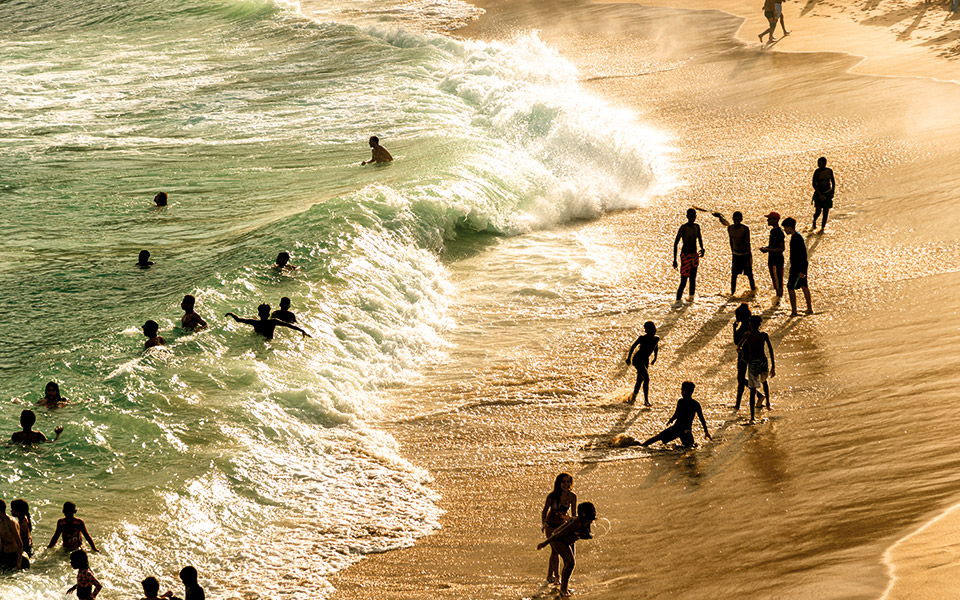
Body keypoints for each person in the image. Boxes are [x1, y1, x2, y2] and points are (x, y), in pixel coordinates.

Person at [536, 502, 597, 599]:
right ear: (583, 513)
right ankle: (563, 589)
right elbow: (560, 533)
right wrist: (545, 543)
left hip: (568, 541)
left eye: (594, 510)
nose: (594, 512)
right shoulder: (577, 521)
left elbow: (586, 534)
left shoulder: (588, 521)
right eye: (592, 510)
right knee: (570, 563)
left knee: (569, 563)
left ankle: (564, 587)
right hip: (558, 539)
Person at [642, 381, 712, 447]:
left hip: (676, 429)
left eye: (682, 390)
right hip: (687, 430)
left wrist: (671, 419)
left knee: (657, 437)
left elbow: (677, 413)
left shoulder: (681, 401)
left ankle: (642, 445)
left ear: (684, 391)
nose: (681, 392)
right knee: (690, 446)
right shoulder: (696, 404)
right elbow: (701, 418)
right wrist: (706, 431)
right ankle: (679, 448)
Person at [540, 474, 577, 584]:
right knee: (555, 550)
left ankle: (549, 575)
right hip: (550, 525)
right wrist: (543, 523)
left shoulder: (572, 497)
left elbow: (574, 515)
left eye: (568, 482)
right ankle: (557, 576)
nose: (566, 484)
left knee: (555, 550)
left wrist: (568, 519)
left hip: (562, 526)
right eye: (563, 482)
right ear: (558, 483)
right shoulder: (552, 496)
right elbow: (544, 511)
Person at [712, 211, 757, 296]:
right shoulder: (730, 228)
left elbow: (748, 243)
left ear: (741, 219)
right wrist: (719, 217)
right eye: (735, 219)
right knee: (734, 275)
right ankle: (732, 293)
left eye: (738, 219)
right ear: (733, 219)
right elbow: (725, 223)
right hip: (736, 255)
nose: (736, 221)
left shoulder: (745, 229)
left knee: (749, 275)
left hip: (745, 254)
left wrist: (749, 256)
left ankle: (753, 293)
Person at [741, 315, 776, 423]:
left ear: (750, 324)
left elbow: (739, 346)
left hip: (753, 362)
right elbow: (770, 350)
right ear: (759, 324)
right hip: (764, 362)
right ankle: (768, 404)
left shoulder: (747, 334)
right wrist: (773, 367)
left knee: (752, 390)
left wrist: (742, 353)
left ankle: (752, 417)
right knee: (764, 382)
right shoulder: (764, 335)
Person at [672, 208, 705, 302]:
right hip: (685, 256)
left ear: (695, 217)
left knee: (693, 280)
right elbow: (676, 243)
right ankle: (677, 302)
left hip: (694, 255)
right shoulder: (684, 228)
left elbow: (699, 239)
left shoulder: (697, 227)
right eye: (690, 216)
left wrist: (702, 249)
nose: (692, 218)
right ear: (687, 216)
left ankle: (691, 300)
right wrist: (675, 260)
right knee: (683, 280)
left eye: (693, 216)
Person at [225, 304, 311, 340]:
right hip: (268, 341)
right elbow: (288, 325)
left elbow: (238, 319)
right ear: (269, 314)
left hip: (256, 339)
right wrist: (302, 330)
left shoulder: (255, 322)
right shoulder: (273, 322)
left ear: (259, 314)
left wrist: (231, 314)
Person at [782, 217, 813, 315]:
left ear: (789, 227)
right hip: (800, 266)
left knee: (790, 287)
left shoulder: (796, 238)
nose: (784, 230)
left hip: (797, 268)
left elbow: (801, 255)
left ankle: (794, 311)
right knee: (804, 286)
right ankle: (809, 308)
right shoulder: (797, 236)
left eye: (785, 228)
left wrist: (801, 270)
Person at [625, 321, 659, 405]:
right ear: (647, 330)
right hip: (637, 359)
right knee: (646, 378)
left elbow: (656, 346)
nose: (653, 331)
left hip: (645, 360)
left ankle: (633, 398)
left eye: (653, 329)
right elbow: (633, 347)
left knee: (640, 380)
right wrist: (629, 358)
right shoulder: (642, 338)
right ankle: (646, 400)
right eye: (650, 330)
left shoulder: (656, 338)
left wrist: (655, 357)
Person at [759, 211, 785, 299]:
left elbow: (781, 248)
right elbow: (774, 246)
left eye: (769, 219)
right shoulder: (773, 231)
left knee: (778, 281)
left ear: (775, 220)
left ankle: (779, 299)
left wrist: (768, 250)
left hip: (777, 260)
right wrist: (767, 248)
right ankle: (778, 299)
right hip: (772, 259)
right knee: (775, 280)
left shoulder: (778, 232)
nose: (768, 221)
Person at [732, 303, 752, 411]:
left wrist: (734, 329)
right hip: (750, 355)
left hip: (743, 356)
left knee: (740, 379)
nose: (736, 318)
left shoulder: (743, 327)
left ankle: (758, 395)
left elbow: (736, 342)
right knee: (742, 379)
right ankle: (737, 404)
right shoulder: (749, 325)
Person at [812, 157, 836, 232]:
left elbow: (833, 181)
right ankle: (814, 221)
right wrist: (819, 195)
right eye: (818, 163)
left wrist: (832, 192)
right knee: (818, 211)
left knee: (825, 212)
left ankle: (822, 228)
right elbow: (814, 184)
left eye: (820, 163)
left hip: (827, 193)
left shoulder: (829, 171)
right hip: (819, 194)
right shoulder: (817, 172)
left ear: (825, 163)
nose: (819, 165)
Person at [0, 500, 23, 571]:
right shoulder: (0, 522)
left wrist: (18, 565)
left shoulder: (11, 523)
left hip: (14, 555)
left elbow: (20, 544)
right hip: (4, 553)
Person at [10, 499, 32, 566]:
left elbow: (21, 541)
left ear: (18, 512)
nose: (11, 511)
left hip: (24, 549)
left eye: (12, 509)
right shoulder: (24, 520)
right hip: (28, 547)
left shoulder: (23, 525)